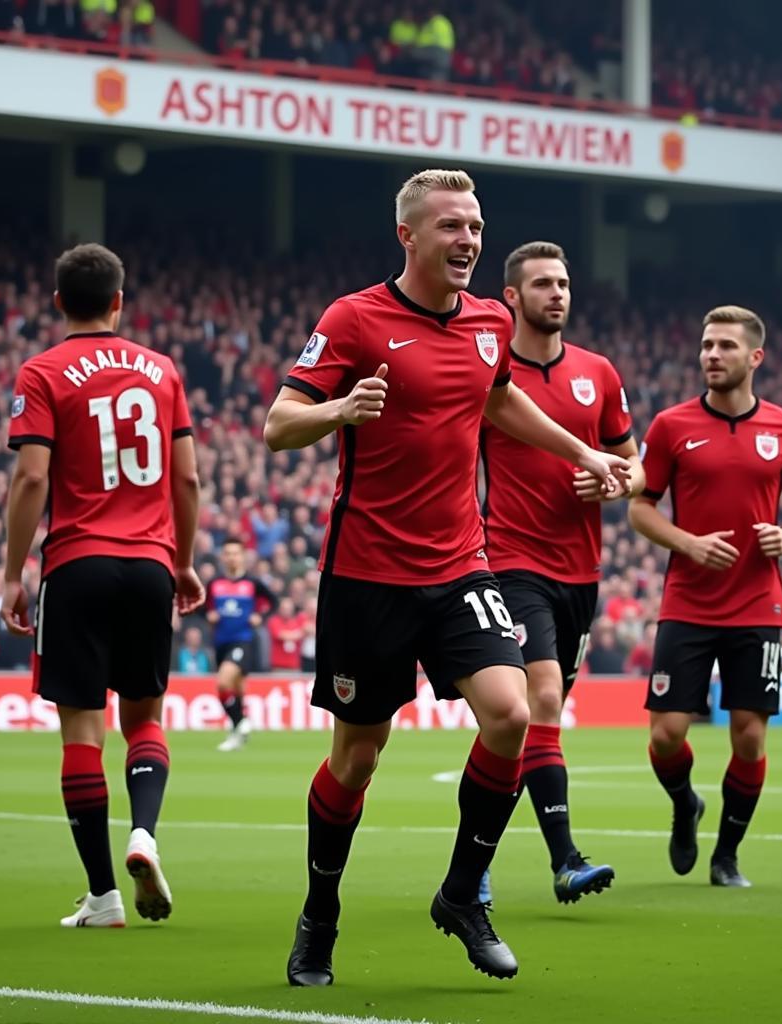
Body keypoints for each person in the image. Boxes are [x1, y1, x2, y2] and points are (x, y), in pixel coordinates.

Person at [264, 168, 631, 986]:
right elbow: (278, 423)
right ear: (409, 236)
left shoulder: (491, 323)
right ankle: (319, 914)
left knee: (512, 715)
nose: (467, 240)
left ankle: (463, 894)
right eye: (450, 227)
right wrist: (339, 411)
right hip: (365, 575)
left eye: (475, 225)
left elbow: (498, 400)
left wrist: (582, 449)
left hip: (462, 563)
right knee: (357, 760)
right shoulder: (354, 318)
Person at [1, 243, 205, 927]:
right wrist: (182, 560)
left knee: (81, 733)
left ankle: (103, 896)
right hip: (150, 564)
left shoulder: (43, 372)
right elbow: (188, 478)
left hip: (77, 564)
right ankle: (144, 832)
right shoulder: (162, 371)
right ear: (120, 300)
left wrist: (11, 573)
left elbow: (31, 477)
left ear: (59, 302)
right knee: (143, 717)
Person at [629, 305, 782, 887]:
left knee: (749, 734)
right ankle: (685, 803)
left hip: (757, 603)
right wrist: (687, 543)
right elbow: (641, 508)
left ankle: (727, 856)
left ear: (754, 357)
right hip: (687, 601)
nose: (711, 355)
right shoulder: (669, 425)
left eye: (725, 347)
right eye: (707, 345)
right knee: (666, 736)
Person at [480, 240, 644, 906]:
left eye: (565, 283)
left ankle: (473, 856)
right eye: (544, 283)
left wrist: (613, 486)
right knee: (541, 699)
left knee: (528, 724)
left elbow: (636, 468)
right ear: (512, 296)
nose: (558, 294)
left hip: (581, 572)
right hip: (510, 561)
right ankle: (566, 859)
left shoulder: (598, 373)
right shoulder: (488, 369)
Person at [206, 538, 277, 751]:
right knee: (235, 691)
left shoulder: (253, 583)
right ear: (222, 557)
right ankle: (237, 734)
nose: (231, 557)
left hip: (243, 641)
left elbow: (274, 602)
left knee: (223, 682)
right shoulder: (214, 584)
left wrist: (260, 616)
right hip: (221, 643)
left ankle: (240, 723)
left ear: (243, 556)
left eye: (235, 553)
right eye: (227, 553)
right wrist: (207, 613)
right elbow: (201, 604)